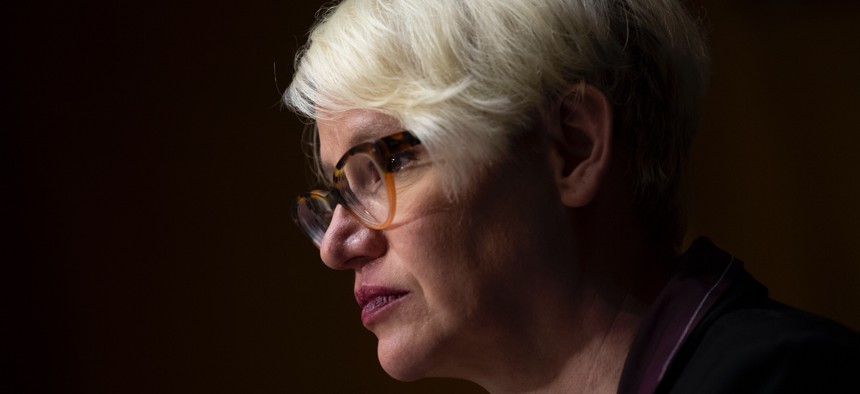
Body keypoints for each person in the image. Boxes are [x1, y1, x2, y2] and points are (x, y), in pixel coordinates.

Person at [284, 0, 860, 392]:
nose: (336, 245)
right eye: (337, 193)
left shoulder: (788, 379)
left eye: (391, 162)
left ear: (574, 149)